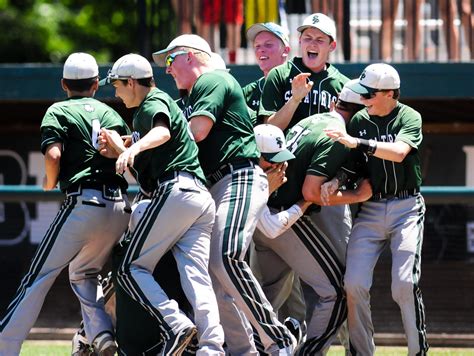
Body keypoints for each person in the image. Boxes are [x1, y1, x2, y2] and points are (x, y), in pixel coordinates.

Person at [153, 34, 296, 355]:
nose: (167, 70)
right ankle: (243, 351)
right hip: (217, 185)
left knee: (224, 258)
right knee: (216, 278)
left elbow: (197, 132)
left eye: (171, 60)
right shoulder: (190, 96)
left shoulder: (213, 78)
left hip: (238, 178)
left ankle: (280, 339)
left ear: (191, 56)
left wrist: (149, 147)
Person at [0, 52, 131, 356]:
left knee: (38, 278)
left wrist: (49, 183)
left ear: (63, 84)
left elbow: (53, 155)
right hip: (118, 206)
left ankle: (5, 345)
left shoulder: (58, 109)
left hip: (83, 202)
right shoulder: (110, 113)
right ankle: (101, 335)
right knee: (84, 272)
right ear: (97, 84)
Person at [99, 53, 225, 355]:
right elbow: (149, 169)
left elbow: (162, 131)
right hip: (197, 197)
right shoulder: (153, 107)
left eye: (117, 85)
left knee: (129, 268)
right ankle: (212, 347)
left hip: (177, 192)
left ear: (131, 82)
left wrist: (134, 147)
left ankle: (175, 324)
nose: (115, 92)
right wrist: (124, 147)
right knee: (196, 277)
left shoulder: (151, 102)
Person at [252, 80, 373, 355]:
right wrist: (357, 195)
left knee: (265, 298)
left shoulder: (315, 118)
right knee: (338, 293)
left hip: (261, 214)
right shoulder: (338, 134)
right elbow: (311, 191)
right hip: (283, 218)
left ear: (335, 103)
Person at [324, 63, 429, 355]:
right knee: (354, 284)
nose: (364, 100)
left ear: (389, 93)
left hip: (406, 206)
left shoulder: (409, 115)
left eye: (369, 95)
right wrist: (338, 180)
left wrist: (358, 142)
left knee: (404, 284)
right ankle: (361, 352)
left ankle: (417, 351)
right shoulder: (359, 119)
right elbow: (354, 164)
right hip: (370, 209)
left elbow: (399, 152)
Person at [259, 13, 349, 132]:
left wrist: (337, 120)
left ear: (332, 46)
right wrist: (295, 100)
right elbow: (268, 130)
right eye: (308, 38)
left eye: (320, 40)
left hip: (323, 148)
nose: (312, 44)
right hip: (286, 148)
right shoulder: (279, 74)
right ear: (300, 41)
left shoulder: (344, 85)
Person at [243, 22, 291, 125]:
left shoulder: (300, 86)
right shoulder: (248, 92)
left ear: (286, 50)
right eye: (257, 46)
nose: (261, 50)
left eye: (268, 45)